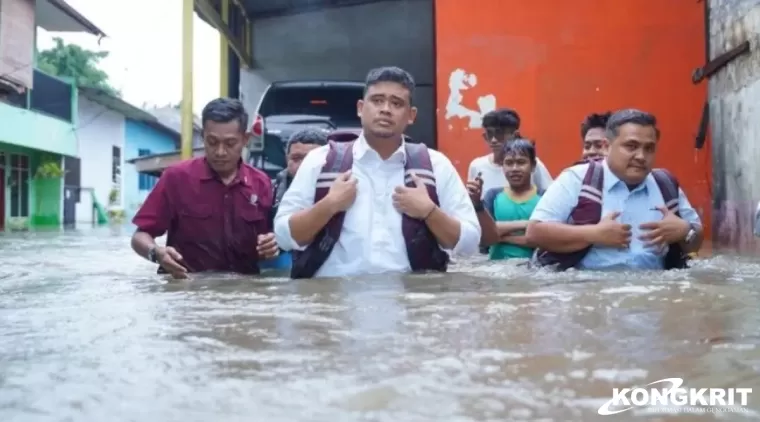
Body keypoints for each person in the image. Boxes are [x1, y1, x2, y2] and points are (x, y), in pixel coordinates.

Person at [274, 66, 480, 278]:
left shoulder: (436, 166)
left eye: (397, 103)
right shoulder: (321, 161)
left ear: (411, 115)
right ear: (360, 108)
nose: (386, 109)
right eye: (377, 100)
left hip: (413, 303)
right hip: (336, 303)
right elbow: (284, 236)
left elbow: (470, 243)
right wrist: (329, 205)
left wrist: (429, 212)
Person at [525, 108, 703, 271]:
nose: (641, 156)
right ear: (606, 146)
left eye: (649, 148)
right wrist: (594, 234)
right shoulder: (577, 179)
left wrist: (685, 231)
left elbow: (695, 241)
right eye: (631, 146)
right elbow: (535, 233)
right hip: (587, 295)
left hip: (651, 296)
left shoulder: (665, 184)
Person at [131, 98, 280, 279]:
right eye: (212, 142)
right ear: (203, 136)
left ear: (245, 139)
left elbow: (272, 241)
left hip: (243, 295)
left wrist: (272, 246)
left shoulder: (261, 183)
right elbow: (140, 236)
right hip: (189, 291)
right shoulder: (176, 178)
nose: (220, 152)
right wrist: (156, 253)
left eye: (230, 143)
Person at [262, 128, 329, 270]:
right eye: (296, 159)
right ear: (287, 159)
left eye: (312, 159)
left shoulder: (343, 191)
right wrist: (268, 244)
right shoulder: (268, 192)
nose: (303, 166)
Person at [468, 139, 542, 260]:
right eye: (509, 163)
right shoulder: (493, 196)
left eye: (521, 162)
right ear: (502, 166)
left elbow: (543, 238)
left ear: (533, 166)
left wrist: (500, 237)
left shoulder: (544, 197)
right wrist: (527, 224)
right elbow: (484, 236)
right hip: (497, 269)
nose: (514, 168)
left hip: (533, 269)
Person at [467, 108, 553, 196]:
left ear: (515, 135)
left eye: (499, 134)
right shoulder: (477, 166)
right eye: (489, 134)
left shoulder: (532, 164)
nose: (493, 140)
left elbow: (552, 197)